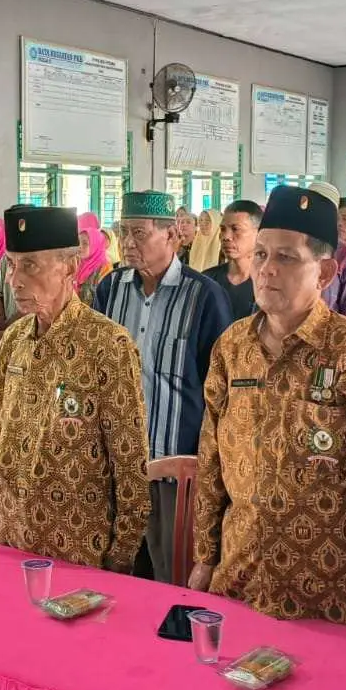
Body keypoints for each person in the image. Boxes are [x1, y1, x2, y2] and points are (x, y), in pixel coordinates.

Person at [190, 185, 346, 627]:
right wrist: (206, 556)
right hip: (239, 577)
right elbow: (212, 462)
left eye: (286, 258)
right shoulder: (232, 348)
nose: (267, 270)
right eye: (260, 255)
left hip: (332, 591)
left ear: (326, 272)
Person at [0, 206, 151, 569]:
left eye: (30, 266)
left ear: (69, 267)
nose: (15, 280)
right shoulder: (14, 339)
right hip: (6, 530)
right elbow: (0, 427)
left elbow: (130, 461)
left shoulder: (107, 345)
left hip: (76, 543)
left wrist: (122, 554)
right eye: (11, 265)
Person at [96, 191, 232, 582]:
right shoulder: (111, 290)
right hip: (120, 461)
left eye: (139, 233)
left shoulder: (204, 296)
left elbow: (218, 390)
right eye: (123, 232)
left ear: (172, 235)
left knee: (172, 573)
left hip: (176, 464)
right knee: (120, 571)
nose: (128, 243)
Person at [203, 199, 262, 321]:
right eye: (223, 229)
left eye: (236, 229)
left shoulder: (267, 283)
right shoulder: (208, 280)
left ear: (259, 233)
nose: (226, 237)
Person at [74, 211, 111, 307]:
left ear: (95, 245)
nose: (80, 247)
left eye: (85, 243)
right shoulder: (77, 263)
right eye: (78, 243)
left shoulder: (105, 269)